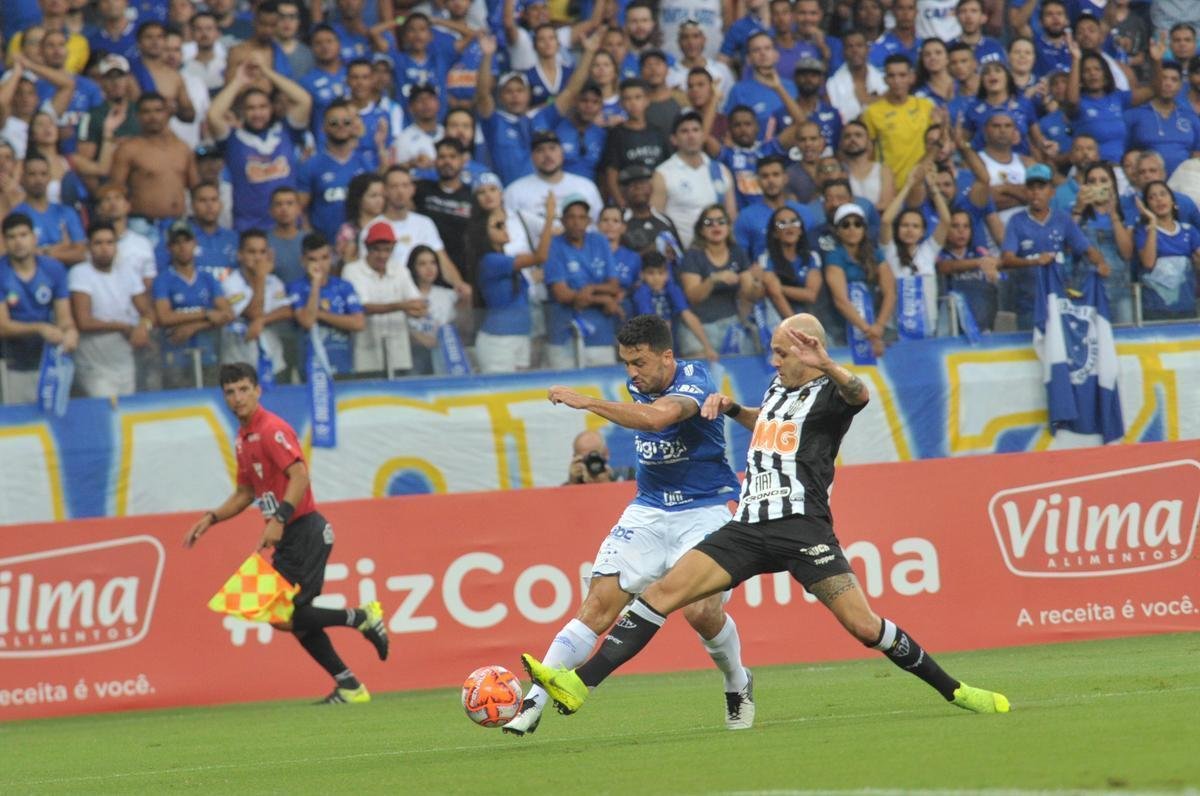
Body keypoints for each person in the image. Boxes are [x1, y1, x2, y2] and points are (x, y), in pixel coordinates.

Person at [522, 314, 1010, 718]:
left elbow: (860, 396)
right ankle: (578, 684)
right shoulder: (779, 388)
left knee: (865, 628)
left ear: (809, 350)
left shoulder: (831, 396)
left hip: (803, 530)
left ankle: (955, 690)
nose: (774, 361)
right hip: (748, 525)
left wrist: (831, 366)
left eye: (782, 352)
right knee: (660, 595)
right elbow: (770, 422)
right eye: (774, 352)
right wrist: (734, 407)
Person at [506, 314, 752, 736]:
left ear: (668, 357)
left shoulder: (696, 378)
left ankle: (738, 683)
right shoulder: (639, 384)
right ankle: (534, 702)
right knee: (598, 605)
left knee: (700, 612)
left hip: (705, 509)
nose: (632, 373)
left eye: (639, 362)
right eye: (626, 363)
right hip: (649, 509)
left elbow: (659, 419)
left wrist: (589, 403)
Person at [183, 361, 389, 704]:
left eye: (244, 389)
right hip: (291, 534)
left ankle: (362, 618)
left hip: (304, 530)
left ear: (258, 390)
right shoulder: (243, 438)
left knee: (279, 614)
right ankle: (349, 684)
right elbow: (245, 493)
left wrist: (278, 518)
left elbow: (300, 476)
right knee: (287, 617)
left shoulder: (270, 430)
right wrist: (212, 518)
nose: (237, 398)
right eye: (230, 392)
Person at [1000, 163, 1109, 330]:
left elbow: (1087, 249)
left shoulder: (1062, 219)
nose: (1036, 192)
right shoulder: (1016, 221)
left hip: (1061, 302)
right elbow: (1007, 259)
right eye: (1031, 188)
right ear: (1025, 192)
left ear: (1051, 191)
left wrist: (1101, 263)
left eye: (1041, 187)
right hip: (1029, 303)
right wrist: (1034, 262)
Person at [68, 221, 155, 398]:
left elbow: (147, 311)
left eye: (109, 242)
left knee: (125, 416)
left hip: (124, 359)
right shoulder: (80, 273)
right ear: (88, 246)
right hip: (94, 363)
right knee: (104, 413)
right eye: (98, 243)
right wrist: (123, 327)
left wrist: (144, 327)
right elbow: (84, 322)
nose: (105, 248)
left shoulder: (127, 271)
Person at [473, 193, 556, 374]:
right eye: (498, 226)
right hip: (498, 340)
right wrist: (549, 217)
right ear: (484, 232)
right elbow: (540, 256)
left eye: (504, 224)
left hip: (521, 335)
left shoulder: (505, 260)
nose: (505, 228)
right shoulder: (490, 260)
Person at [0, 211, 77, 404]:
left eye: (23, 235)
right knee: (18, 425)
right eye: (11, 237)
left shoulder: (54, 269)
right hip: (11, 363)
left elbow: (64, 318)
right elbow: (2, 327)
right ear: (4, 242)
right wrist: (40, 328)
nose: (18, 242)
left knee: (53, 422)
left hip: (49, 363)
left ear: (34, 238)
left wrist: (69, 332)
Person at [109, 92, 198, 249]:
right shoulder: (129, 149)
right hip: (142, 225)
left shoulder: (183, 148)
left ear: (167, 113)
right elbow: (116, 189)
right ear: (137, 116)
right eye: (146, 112)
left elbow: (196, 187)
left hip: (178, 225)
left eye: (158, 111)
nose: (153, 116)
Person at [152, 221, 234, 389]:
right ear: (169, 248)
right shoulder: (163, 280)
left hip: (209, 354)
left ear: (195, 243)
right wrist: (205, 313)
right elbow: (164, 316)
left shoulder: (207, 278)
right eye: (176, 242)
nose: (182, 247)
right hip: (175, 357)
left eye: (186, 241)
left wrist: (194, 327)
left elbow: (227, 314)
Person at [543, 196, 622, 368]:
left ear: (588, 221)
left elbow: (614, 286)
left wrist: (589, 288)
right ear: (563, 221)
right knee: (563, 393)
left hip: (600, 333)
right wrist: (602, 299)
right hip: (563, 335)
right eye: (571, 217)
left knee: (601, 391)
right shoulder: (554, 245)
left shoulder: (599, 241)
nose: (576, 222)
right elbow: (561, 293)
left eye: (581, 217)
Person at [343, 222, 426, 377]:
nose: (382, 255)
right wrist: (403, 305)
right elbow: (362, 307)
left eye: (387, 250)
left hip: (399, 354)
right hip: (366, 356)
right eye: (377, 250)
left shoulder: (401, 271)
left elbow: (417, 303)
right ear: (367, 248)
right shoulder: (352, 270)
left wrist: (418, 308)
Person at [678, 204, 760, 357]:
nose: (716, 226)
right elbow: (693, 297)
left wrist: (758, 283)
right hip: (699, 329)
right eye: (709, 223)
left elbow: (750, 294)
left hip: (732, 326)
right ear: (701, 230)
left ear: (729, 227)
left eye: (721, 221)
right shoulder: (693, 256)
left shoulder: (738, 253)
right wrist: (713, 279)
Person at [652, 111, 738, 249]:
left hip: (717, 254)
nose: (691, 136)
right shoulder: (663, 174)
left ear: (703, 136)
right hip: (682, 255)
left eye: (696, 130)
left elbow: (731, 217)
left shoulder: (721, 171)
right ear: (674, 139)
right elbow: (656, 219)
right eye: (685, 131)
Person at [219, 230, 293, 379]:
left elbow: (288, 310)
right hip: (239, 366)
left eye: (262, 252)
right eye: (252, 252)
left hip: (274, 363)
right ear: (240, 254)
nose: (258, 258)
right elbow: (253, 313)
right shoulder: (230, 283)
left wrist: (263, 321)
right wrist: (260, 278)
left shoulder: (274, 281)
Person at [291, 232, 366, 377]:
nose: (319, 265)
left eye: (324, 258)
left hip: (343, 366)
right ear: (303, 261)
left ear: (331, 258)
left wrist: (320, 314)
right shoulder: (296, 288)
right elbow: (307, 321)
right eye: (313, 259)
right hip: (310, 368)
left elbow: (359, 323)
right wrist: (315, 284)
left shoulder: (344, 286)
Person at [822, 203, 895, 356]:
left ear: (864, 228)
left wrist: (879, 326)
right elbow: (841, 301)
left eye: (858, 224)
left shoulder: (876, 254)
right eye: (845, 225)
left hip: (875, 323)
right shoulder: (834, 256)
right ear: (837, 231)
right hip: (842, 328)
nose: (852, 229)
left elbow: (890, 292)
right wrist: (869, 331)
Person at [1071, 162, 1135, 325]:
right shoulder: (1074, 212)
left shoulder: (1125, 211)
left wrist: (1113, 214)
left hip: (1119, 291)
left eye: (1103, 180)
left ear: (1113, 184)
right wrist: (1078, 209)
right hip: (1085, 290)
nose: (1098, 185)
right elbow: (1067, 246)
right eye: (1092, 181)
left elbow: (1127, 252)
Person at [862, 55, 936, 186]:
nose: (897, 81)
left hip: (922, 184)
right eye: (891, 76)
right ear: (885, 79)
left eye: (902, 75)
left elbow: (937, 144)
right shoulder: (872, 113)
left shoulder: (926, 106)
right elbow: (868, 154)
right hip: (890, 185)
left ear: (911, 78)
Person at [1132, 181, 1200, 321]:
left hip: (1186, 306)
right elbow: (1148, 263)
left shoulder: (1189, 230)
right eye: (1152, 197)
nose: (1159, 199)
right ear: (1147, 205)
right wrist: (1152, 223)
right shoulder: (1142, 231)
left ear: (1173, 201)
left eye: (1163, 194)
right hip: (1154, 309)